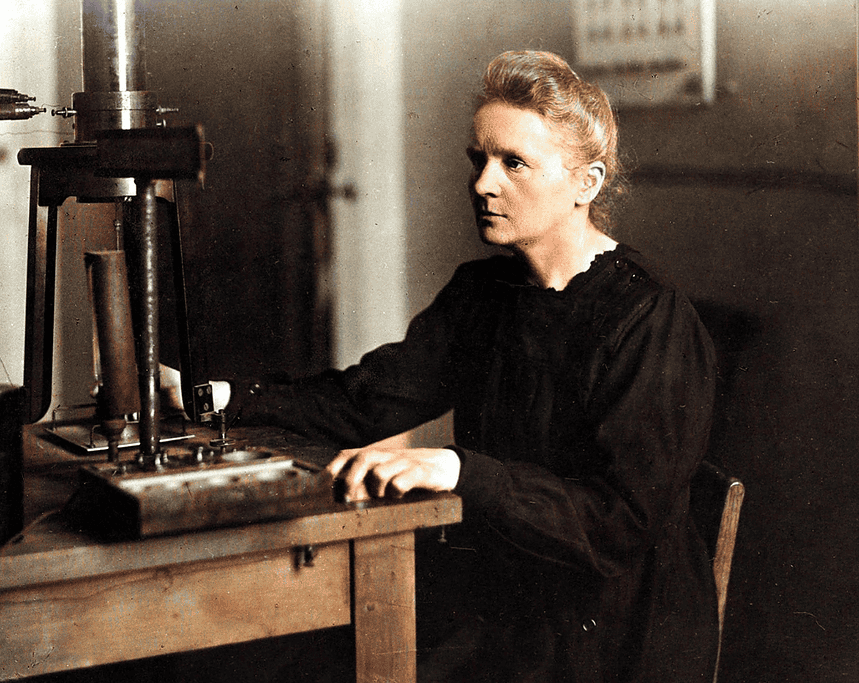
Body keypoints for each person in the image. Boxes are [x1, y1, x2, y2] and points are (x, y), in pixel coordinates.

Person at [236, 50, 719, 682]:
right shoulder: (482, 293)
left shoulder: (649, 315)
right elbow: (367, 402)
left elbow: (616, 525)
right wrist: (219, 399)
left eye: (513, 163)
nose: (484, 183)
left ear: (587, 183)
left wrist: (457, 468)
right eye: (479, 159)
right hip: (510, 595)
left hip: (611, 629)